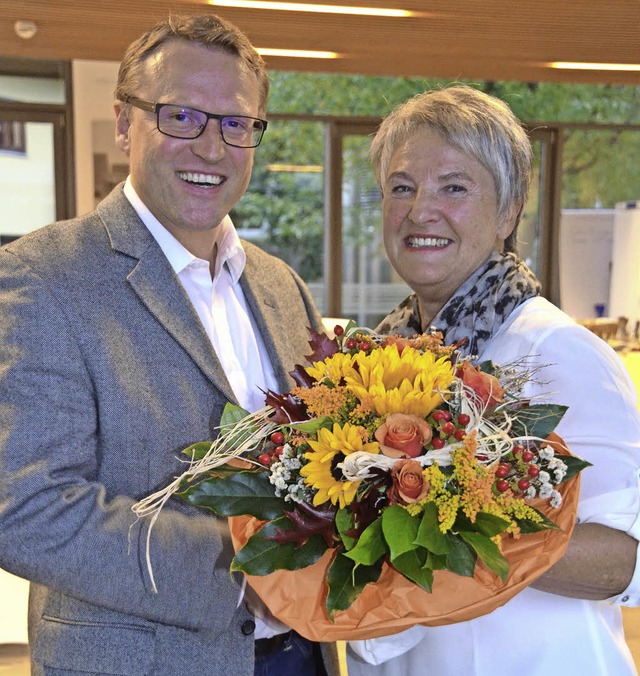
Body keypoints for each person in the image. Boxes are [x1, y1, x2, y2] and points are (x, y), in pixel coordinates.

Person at [0, 14, 338, 676]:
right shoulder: (45, 276)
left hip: (302, 653)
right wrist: (245, 571)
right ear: (126, 122)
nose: (212, 147)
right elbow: (24, 507)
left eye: (236, 124)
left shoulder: (282, 287)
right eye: (183, 116)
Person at [346, 85, 640, 675]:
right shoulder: (377, 361)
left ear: (509, 211)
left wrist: (450, 516)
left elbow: (624, 563)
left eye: (454, 187)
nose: (420, 209)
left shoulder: (559, 352)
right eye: (401, 187)